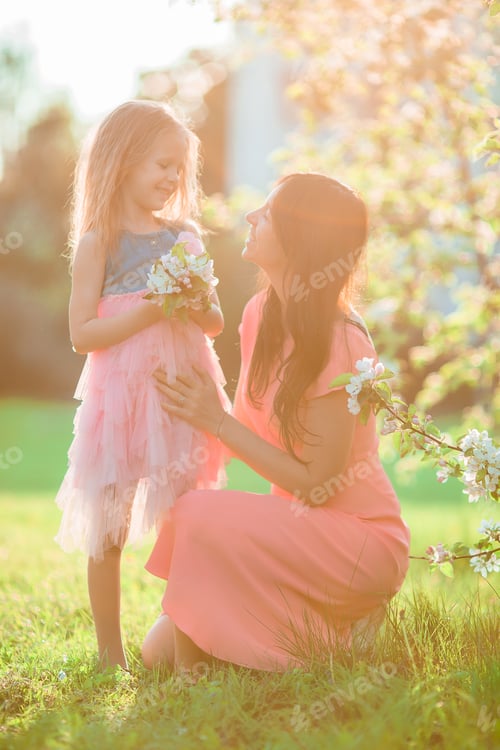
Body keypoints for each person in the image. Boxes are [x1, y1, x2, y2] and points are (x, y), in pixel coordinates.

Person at [142, 172, 411, 673]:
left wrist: (216, 423)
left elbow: (319, 484)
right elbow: (243, 428)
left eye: (265, 214)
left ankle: (192, 681)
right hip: (292, 536)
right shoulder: (259, 315)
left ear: (298, 238)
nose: (250, 218)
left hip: (358, 541)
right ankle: (335, 639)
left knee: (197, 514)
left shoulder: (343, 341)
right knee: (155, 651)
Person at [55, 100, 230, 670]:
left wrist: (194, 299)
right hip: (120, 401)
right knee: (109, 527)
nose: (171, 178)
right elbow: (83, 334)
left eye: (179, 169)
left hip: (179, 394)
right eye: (160, 164)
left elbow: (214, 323)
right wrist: (151, 311)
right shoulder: (98, 242)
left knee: (187, 524)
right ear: (123, 161)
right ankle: (112, 656)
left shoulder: (184, 237)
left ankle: (188, 651)